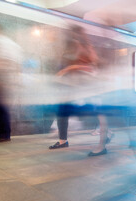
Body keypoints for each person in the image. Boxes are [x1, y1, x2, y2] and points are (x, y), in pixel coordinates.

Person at [48, 25, 109, 156]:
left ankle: (104, 140)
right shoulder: (74, 46)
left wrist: (68, 69)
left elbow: (91, 66)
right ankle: (62, 141)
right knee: (63, 111)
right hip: (74, 85)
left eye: (73, 33)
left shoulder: (85, 47)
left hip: (86, 85)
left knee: (96, 112)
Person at [0, 24, 22, 143]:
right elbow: (17, 63)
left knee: (1, 107)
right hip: (5, 78)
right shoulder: (11, 43)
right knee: (1, 107)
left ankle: (4, 135)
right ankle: (4, 134)